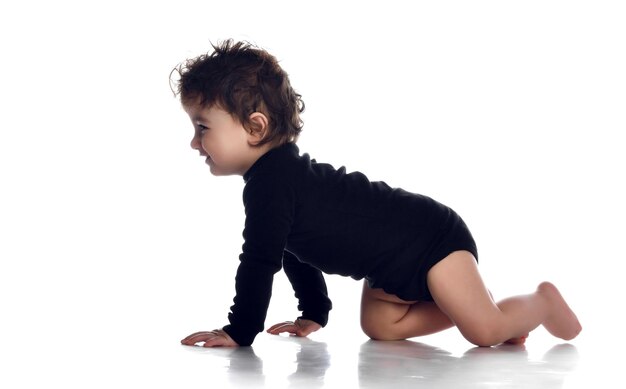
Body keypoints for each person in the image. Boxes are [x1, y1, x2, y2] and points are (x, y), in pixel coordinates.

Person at [173, 40, 582, 348]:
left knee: (484, 333)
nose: (195, 143)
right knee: (382, 329)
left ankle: (537, 304)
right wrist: (312, 314)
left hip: (428, 240)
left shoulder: (275, 181)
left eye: (203, 128)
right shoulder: (272, 181)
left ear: (255, 127)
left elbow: (260, 261)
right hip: (389, 266)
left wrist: (239, 331)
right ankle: (474, 303)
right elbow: (289, 249)